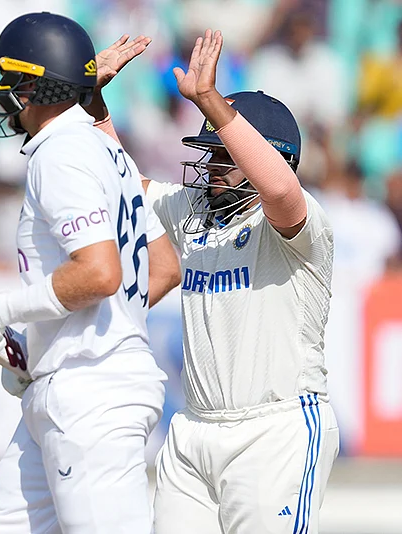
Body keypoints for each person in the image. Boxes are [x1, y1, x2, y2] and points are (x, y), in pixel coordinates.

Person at [0, 12, 180, 534]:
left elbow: (100, 274)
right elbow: (164, 267)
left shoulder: (60, 152)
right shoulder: (107, 149)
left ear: (33, 85)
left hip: (90, 395)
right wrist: (41, 343)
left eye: (8, 80)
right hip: (72, 384)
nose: (1, 92)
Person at [93, 30, 340, 533]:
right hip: (193, 431)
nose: (210, 166)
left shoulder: (301, 222)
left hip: (275, 430)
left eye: (223, 155)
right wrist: (90, 102)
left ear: (263, 153)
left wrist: (211, 100)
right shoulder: (194, 211)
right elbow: (115, 178)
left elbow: (280, 189)